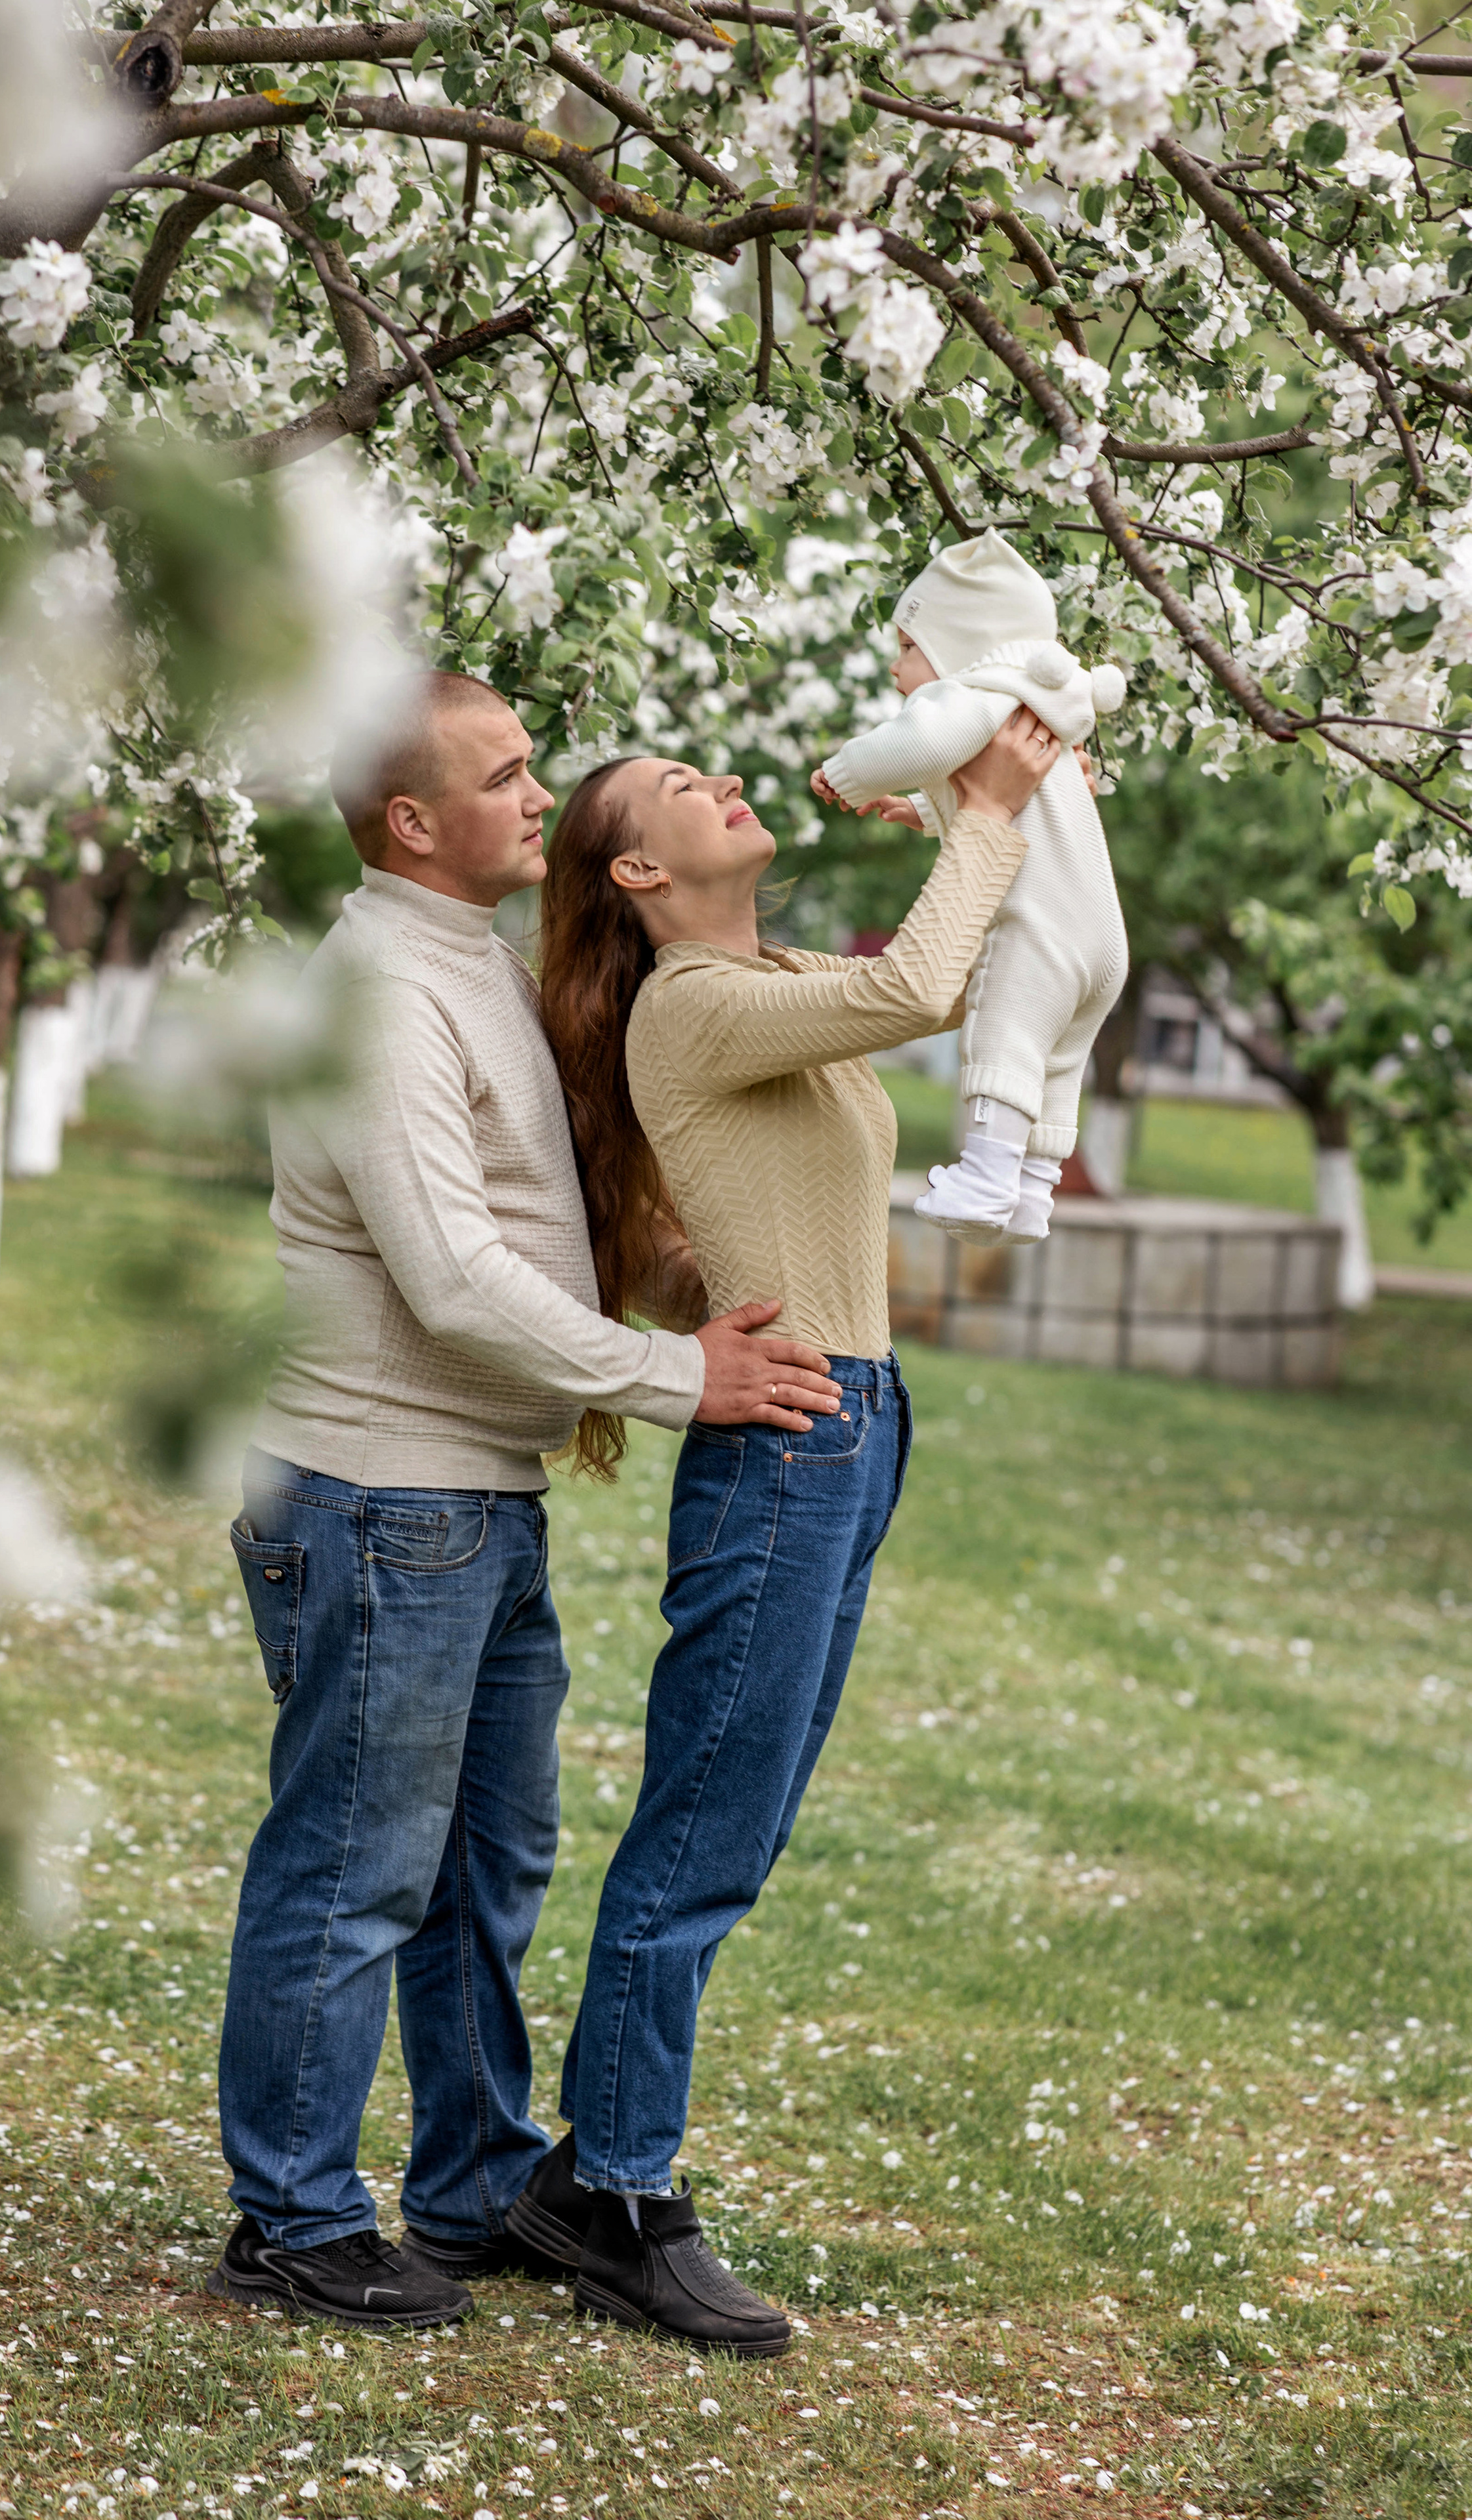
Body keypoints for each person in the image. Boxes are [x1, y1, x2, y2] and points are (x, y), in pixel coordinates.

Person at [209, 669, 843, 2332]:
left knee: (483, 1869)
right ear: (412, 821)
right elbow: (451, 1278)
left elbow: (544, 1222)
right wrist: (676, 1378)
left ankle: (473, 2182)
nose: (532, 795)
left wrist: (704, 1277)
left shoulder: (474, 969)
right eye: (501, 777)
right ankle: (286, 2214)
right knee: (353, 1866)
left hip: (472, 1505)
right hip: (371, 1496)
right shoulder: (375, 999)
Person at [501, 705, 1058, 2355]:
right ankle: (613, 2193)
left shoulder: (753, 995)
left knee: (731, 1831)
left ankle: (585, 2174)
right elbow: (912, 989)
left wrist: (964, 836)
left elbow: (883, 996)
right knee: (698, 1829)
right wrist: (988, 808)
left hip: (852, 1426)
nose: (721, 779)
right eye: (683, 788)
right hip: (789, 1450)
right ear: (641, 871)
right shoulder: (691, 1002)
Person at [813, 529, 1129, 1246]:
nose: (896, 669)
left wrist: (849, 773)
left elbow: (921, 744)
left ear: (959, 644)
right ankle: (1031, 1195)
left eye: (906, 648)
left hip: (1039, 929)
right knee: (1056, 1060)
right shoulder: (1035, 715)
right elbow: (1016, 799)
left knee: (1007, 1035)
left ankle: (986, 1180)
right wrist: (921, 810)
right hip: (1101, 941)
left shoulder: (978, 694)